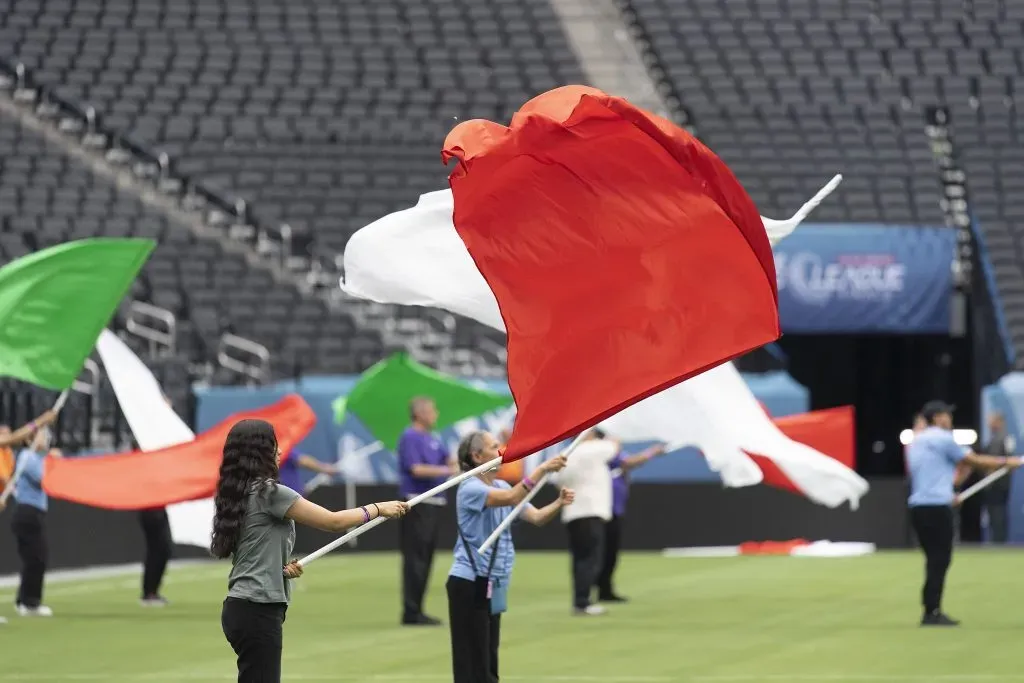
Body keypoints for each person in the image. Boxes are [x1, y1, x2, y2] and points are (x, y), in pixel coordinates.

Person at [212, 418, 408, 683]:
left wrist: (279, 570)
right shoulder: (271, 493)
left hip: (243, 607)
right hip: (257, 609)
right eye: (274, 445)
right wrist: (376, 508)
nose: (280, 451)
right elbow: (333, 521)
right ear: (260, 452)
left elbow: (253, 552)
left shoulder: (237, 493)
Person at [447, 431, 574, 683]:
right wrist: (543, 469)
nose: (502, 450)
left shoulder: (502, 484)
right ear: (477, 455)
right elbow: (513, 497)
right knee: (472, 662)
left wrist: (558, 504)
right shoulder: (470, 487)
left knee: (488, 660)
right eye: (495, 446)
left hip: (491, 581)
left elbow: (536, 517)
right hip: (469, 581)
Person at [906, 400, 1023, 627]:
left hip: (919, 506)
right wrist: (1008, 462)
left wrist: (950, 488)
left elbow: (942, 472)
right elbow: (973, 460)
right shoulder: (942, 439)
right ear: (938, 418)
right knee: (940, 559)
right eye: (946, 415)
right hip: (937, 508)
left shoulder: (917, 441)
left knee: (934, 559)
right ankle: (931, 612)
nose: (949, 419)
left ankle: (931, 608)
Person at [396, 396, 456, 626]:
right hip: (417, 502)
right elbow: (416, 468)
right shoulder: (410, 436)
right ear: (420, 413)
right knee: (415, 558)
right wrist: (445, 470)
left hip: (434, 503)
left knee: (426, 557)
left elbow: (449, 461)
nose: (436, 414)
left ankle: (417, 608)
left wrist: (450, 465)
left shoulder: (433, 438)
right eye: (432, 410)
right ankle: (411, 610)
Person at [558, 428, 619, 616]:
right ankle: (583, 602)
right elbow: (614, 445)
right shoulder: (592, 449)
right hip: (590, 511)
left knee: (579, 559)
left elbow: (556, 479)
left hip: (573, 513)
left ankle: (580, 600)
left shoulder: (566, 454)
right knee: (591, 559)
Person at [596, 442, 667, 603]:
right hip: (605, 509)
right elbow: (630, 462)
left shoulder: (612, 456)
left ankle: (604, 589)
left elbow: (628, 464)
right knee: (602, 552)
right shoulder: (607, 451)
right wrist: (652, 451)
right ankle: (594, 590)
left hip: (613, 509)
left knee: (610, 553)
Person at [9, 428, 61, 617]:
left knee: (34, 559)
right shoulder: (27, 457)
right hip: (27, 512)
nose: (46, 439)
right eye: (42, 435)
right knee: (37, 558)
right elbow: (43, 480)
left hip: (34, 513)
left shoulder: (38, 459)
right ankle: (30, 603)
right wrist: (53, 462)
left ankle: (24, 600)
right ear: (30, 438)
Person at [980, 412, 1015, 544]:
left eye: (992, 421)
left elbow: (1009, 459)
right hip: (990, 484)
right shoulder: (993, 438)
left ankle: (999, 541)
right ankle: (996, 539)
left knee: (998, 512)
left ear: (999, 422)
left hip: (999, 484)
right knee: (993, 513)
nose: (989, 424)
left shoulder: (1005, 438)